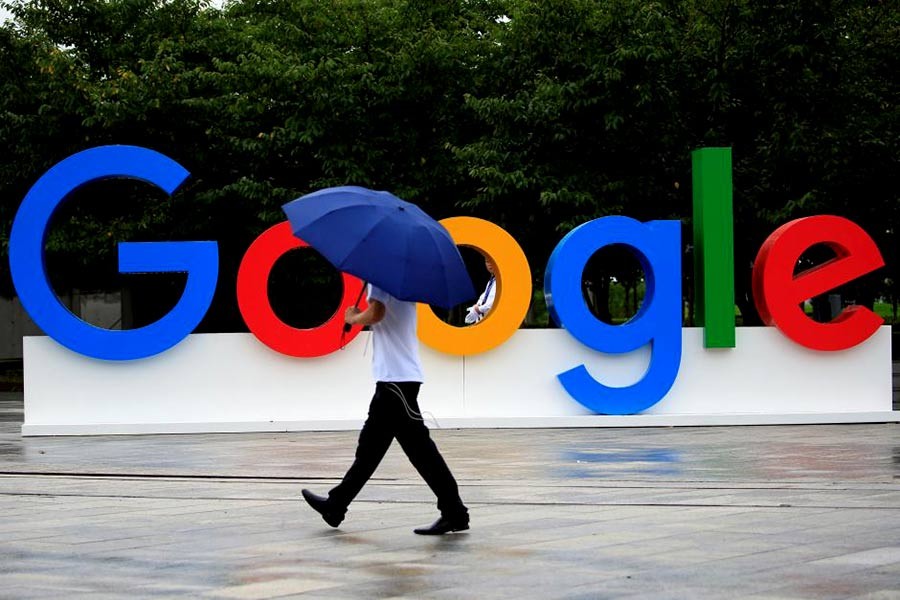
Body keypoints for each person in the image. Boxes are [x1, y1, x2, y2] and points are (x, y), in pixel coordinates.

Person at [301, 284, 470, 535]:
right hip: (395, 381)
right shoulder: (398, 280)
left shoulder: (380, 280)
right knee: (371, 449)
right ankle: (336, 505)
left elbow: (377, 313)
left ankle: (455, 512)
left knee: (420, 453)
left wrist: (354, 317)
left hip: (396, 382)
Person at [465, 256, 496, 324]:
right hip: (485, 318)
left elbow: (493, 302)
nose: (490, 264)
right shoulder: (491, 280)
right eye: (487, 261)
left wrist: (478, 309)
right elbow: (484, 296)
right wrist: (478, 304)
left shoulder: (501, 281)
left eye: (492, 261)